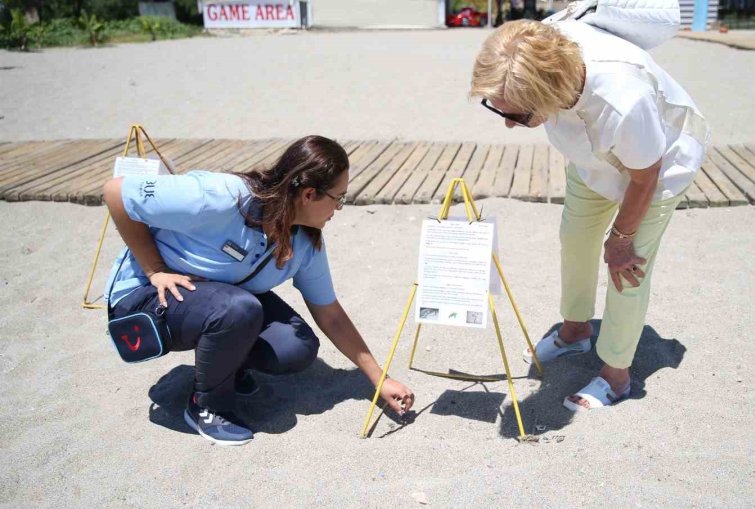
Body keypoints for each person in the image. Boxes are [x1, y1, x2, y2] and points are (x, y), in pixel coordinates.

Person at [103, 135, 415, 445]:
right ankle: (207, 406)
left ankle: (225, 367)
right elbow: (116, 192)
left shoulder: (305, 241)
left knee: (295, 346)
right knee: (238, 309)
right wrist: (155, 269)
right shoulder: (222, 196)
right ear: (309, 194)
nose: (340, 208)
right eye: (339, 198)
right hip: (146, 296)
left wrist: (379, 379)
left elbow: (330, 314)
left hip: (217, 301)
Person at [470, 19, 708, 411]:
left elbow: (645, 176)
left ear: (551, 92)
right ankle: (576, 331)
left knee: (627, 268)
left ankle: (617, 374)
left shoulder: (623, 100)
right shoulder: (542, 42)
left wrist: (621, 239)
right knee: (575, 238)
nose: (510, 124)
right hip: (592, 161)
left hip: (657, 169)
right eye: (500, 111)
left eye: (519, 115)